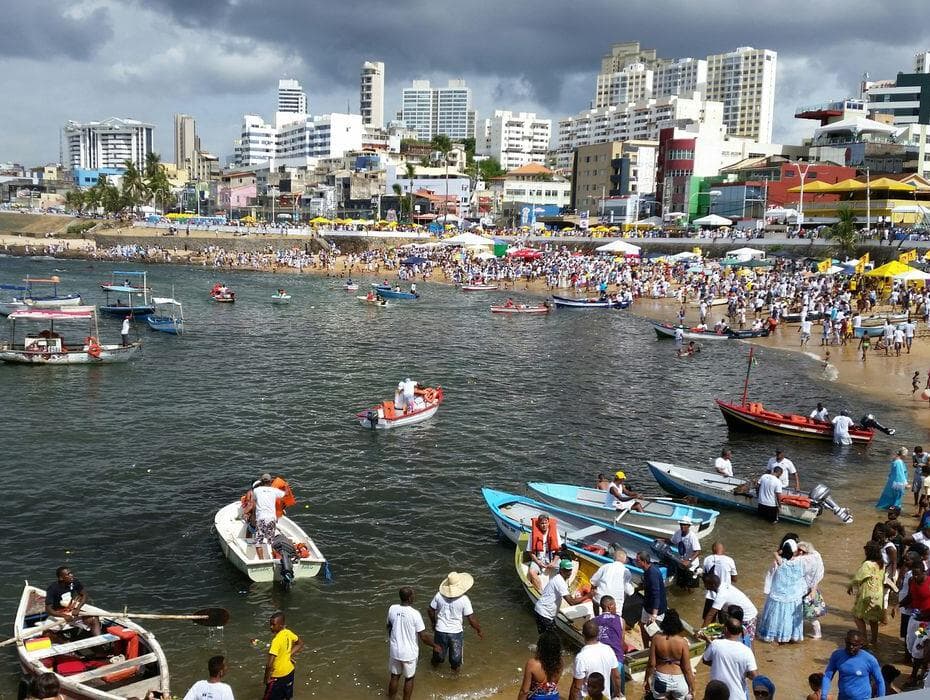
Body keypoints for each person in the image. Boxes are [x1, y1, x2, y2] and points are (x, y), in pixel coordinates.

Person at [387, 588, 436, 700]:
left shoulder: (392, 609)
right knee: (409, 678)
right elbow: (423, 637)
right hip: (409, 653)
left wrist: (393, 640)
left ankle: (390, 698)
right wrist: (435, 645)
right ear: (409, 598)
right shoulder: (415, 614)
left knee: (394, 677)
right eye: (413, 595)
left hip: (395, 650)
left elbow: (389, 626)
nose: (414, 597)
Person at [429, 571, 482, 672]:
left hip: (440, 631)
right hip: (456, 634)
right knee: (455, 661)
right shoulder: (464, 599)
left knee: (437, 657)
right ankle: (455, 681)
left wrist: (433, 622)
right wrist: (479, 630)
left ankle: (431, 673)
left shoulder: (439, 595)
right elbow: (471, 619)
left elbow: (430, 610)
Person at [757, 539, 806, 643]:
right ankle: (789, 637)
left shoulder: (779, 562)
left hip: (778, 594)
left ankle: (775, 636)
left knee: (776, 617)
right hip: (793, 595)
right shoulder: (800, 562)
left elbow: (775, 556)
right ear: (794, 551)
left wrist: (778, 552)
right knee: (788, 618)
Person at [702, 616, 757, 700]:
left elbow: (705, 660)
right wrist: (744, 672)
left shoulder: (716, 644)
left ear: (726, 629)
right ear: (740, 632)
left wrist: (717, 663)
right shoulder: (747, 651)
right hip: (738, 696)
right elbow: (754, 676)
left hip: (717, 696)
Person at [643, 609, 695, 700]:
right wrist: (692, 688)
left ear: (664, 623)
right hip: (679, 681)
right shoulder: (683, 642)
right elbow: (687, 669)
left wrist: (646, 680)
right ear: (678, 624)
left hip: (661, 679)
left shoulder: (656, 639)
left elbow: (651, 664)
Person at [821, 630, 884, 699]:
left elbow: (880, 681)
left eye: (854, 645)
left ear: (861, 644)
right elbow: (827, 676)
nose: (851, 647)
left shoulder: (870, 660)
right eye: (849, 643)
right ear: (845, 641)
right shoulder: (837, 655)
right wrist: (823, 695)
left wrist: (881, 698)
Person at [570, 620, 622, 700]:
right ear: (598, 634)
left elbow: (576, 687)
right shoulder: (608, 650)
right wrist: (617, 693)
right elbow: (617, 676)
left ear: (583, 634)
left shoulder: (581, 657)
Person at [44, 566, 101, 637]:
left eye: (71, 573)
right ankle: (64, 643)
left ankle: (98, 639)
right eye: (68, 574)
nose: (72, 575)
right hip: (58, 614)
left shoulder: (74, 582)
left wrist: (78, 609)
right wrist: (63, 615)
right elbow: (48, 609)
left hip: (71, 611)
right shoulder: (52, 588)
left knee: (94, 619)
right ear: (61, 578)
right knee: (47, 633)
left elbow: (84, 595)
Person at [533, 559, 587, 633]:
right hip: (544, 613)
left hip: (542, 611)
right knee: (552, 638)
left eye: (570, 570)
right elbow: (571, 602)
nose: (569, 573)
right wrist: (588, 596)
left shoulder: (559, 579)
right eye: (566, 570)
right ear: (561, 570)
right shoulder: (560, 581)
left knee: (546, 636)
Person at [702, 574, 758, 644]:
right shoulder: (723, 584)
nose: (705, 587)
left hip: (748, 617)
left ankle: (751, 654)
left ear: (713, 585)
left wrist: (701, 632)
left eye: (706, 584)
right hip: (739, 614)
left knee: (747, 641)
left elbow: (710, 615)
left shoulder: (721, 595)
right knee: (735, 639)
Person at [848, 542, 885, 647]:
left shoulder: (867, 564)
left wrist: (850, 586)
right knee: (873, 619)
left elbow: (858, 578)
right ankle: (874, 640)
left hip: (867, 593)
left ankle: (863, 639)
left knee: (857, 616)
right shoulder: (881, 564)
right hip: (878, 594)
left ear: (869, 551)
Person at [264, 612, 303, 700]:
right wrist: (288, 655)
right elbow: (300, 643)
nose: (271, 627)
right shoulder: (288, 633)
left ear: (281, 625)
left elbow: (269, 664)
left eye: (273, 625)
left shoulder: (276, 641)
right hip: (290, 672)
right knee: (286, 697)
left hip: (278, 676)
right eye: (270, 624)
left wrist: (266, 679)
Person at [517, 630, 563, 700]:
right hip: (554, 697)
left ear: (541, 646)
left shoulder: (532, 664)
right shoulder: (560, 662)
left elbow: (524, 691)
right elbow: (553, 683)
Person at [593, 595, 625, 694]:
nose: (616, 607)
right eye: (615, 605)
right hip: (616, 659)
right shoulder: (620, 620)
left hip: (599, 661)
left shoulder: (593, 621)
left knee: (601, 692)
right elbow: (621, 642)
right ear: (610, 606)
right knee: (619, 693)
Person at [249, 474, 285, 560]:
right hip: (272, 518)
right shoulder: (274, 491)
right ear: (270, 481)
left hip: (261, 518)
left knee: (258, 542)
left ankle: (262, 560)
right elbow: (285, 495)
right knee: (271, 541)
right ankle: (275, 558)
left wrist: (251, 517)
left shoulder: (256, 491)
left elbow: (253, 505)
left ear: (261, 481)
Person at [636, 550, 667, 648]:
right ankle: (646, 648)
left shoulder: (653, 573)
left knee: (655, 633)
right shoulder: (646, 571)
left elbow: (656, 595)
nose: (636, 562)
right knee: (643, 626)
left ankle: (659, 650)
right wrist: (637, 588)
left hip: (656, 609)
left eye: (638, 561)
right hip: (647, 606)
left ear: (644, 562)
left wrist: (654, 614)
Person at [797, 541, 826, 639]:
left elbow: (815, 578)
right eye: (799, 550)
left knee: (811, 616)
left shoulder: (811, 561)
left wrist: (812, 591)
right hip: (803, 591)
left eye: (803, 551)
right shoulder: (802, 560)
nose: (800, 553)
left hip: (809, 593)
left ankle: (817, 634)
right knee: (801, 615)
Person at [590, 548, 633, 616]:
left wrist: (593, 590)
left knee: (595, 601)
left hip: (600, 599)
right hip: (615, 602)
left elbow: (593, 581)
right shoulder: (626, 572)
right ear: (625, 560)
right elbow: (630, 591)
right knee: (617, 613)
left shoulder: (605, 566)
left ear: (614, 558)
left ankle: (597, 617)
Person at [702, 543, 738, 618]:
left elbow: (705, 577)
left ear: (713, 550)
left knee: (709, 618)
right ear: (723, 549)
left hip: (711, 595)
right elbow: (735, 579)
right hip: (725, 595)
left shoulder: (707, 559)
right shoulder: (729, 560)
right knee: (724, 620)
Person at [527, 513, 561, 593]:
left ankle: (560, 589)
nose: (544, 525)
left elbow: (559, 550)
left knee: (563, 569)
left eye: (545, 523)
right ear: (539, 524)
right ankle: (541, 592)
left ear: (548, 523)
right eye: (542, 523)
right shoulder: (533, 534)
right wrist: (538, 562)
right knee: (532, 572)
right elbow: (530, 551)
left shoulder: (555, 533)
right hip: (538, 559)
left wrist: (554, 562)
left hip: (552, 559)